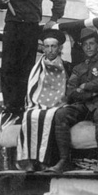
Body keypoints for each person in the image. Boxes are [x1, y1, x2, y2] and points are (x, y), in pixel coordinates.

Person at [0, 0, 66, 116]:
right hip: (12, 28)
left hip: (30, 28)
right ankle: (9, 104)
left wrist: (53, 20)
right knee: (9, 66)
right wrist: (2, 0)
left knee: (27, 66)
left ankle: (24, 102)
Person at [48, 28, 98, 174]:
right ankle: (64, 160)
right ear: (82, 46)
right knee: (61, 114)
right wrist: (91, 93)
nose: (89, 47)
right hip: (83, 105)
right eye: (85, 45)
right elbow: (70, 90)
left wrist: (85, 86)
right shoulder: (78, 68)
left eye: (92, 43)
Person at [17, 28, 71, 172]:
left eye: (53, 46)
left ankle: (44, 160)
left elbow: (69, 87)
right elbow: (33, 86)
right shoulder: (36, 67)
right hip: (38, 102)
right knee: (30, 115)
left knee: (49, 116)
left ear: (59, 48)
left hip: (58, 103)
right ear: (43, 48)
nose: (50, 50)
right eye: (47, 46)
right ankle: (29, 159)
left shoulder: (66, 66)